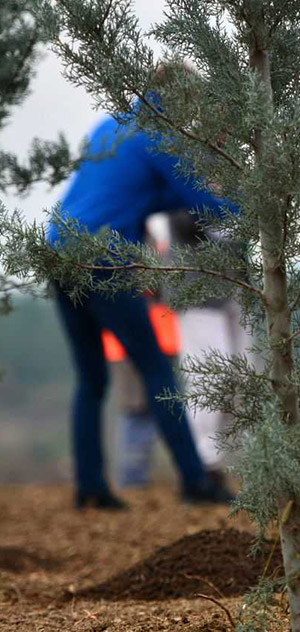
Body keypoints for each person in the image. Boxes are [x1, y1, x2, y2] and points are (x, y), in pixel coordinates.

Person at [47, 98, 234, 510]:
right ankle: (195, 481)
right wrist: (253, 203)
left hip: (58, 251)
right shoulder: (158, 137)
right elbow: (199, 198)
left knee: (91, 379)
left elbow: (148, 194)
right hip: (101, 260)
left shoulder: (109, 127)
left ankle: (91, 488)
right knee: (156, 370)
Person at [167, 209, 251, 492]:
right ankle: (202, 468)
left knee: (244, 378)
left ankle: (234, 462)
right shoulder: (184, 168)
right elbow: (182, 220)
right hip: (197, 290)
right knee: (209, 379)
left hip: (236, 288)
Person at [102, 297, 181, 488]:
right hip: (130, 345)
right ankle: (133, 477)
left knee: (154, 411)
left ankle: (137, 475)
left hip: (161, 340)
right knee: (137, 410)